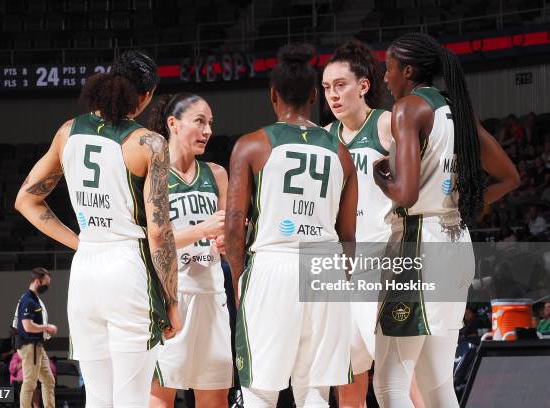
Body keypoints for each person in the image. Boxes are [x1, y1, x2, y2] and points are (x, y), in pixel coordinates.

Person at [14, 50, 181, 407]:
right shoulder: (150, 143)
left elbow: (26, 200)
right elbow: (159, 233)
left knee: (98, 399)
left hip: (87, 267)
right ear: (147, 94)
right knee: (132, 399)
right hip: (128, 271)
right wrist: (172, 300)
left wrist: (78, 242)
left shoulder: (68, 131)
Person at [372, 32, 520, 408]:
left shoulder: (409, 108)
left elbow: (404, 193)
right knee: (436, 385)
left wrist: (380, 173)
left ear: (407, 70)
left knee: (390, 384)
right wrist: (466, 205)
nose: (385, 78)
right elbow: (509, 177)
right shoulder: (458, 110)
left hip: (418, 246)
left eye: (388, 69)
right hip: (455, 243)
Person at [225, 43, 358, 407]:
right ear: (315, 95)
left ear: (273, 95)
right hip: (327, 264)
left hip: (275, 264)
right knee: (314, 391)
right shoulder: (340, 152)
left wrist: (239, 280)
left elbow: (234, 228)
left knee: (260, 390)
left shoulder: (251, 145)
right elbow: (348, 235)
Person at [321, 39, 424, 408]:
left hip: (384, 260)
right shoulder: (324, 139)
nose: (333, 95)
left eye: (341, 85)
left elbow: (414, 186)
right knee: (347, 379)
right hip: (340, 269)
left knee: (398, 379)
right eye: (327, 88)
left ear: (363, 85)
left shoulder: (385, 123)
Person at [146, 93, 231, 408]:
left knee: (216, 396)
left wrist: (228, 241)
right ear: (173, 124)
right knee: (159, 396)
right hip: (171, 297)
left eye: (210, 123)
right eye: (199, 121)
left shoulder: (216, 174)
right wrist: (201, 230)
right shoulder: (153, 175)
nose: (208, 130)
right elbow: (149, 241)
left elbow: (225, 237)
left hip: (211, 294)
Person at [14, 267, 57, 408]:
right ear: (38, 281)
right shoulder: (28, 300)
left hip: (37, 345)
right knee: (30, 382)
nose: (47, 287)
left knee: (49, 380)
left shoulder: (35, 300)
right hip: (29, 346)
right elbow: (27, 326)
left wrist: (45, 330)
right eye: (46, 283)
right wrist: (45, 327)